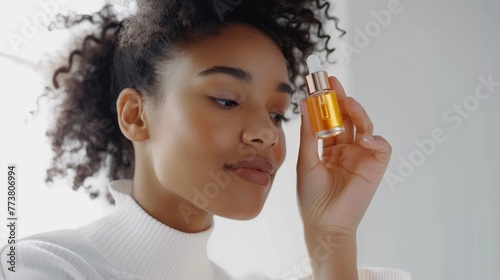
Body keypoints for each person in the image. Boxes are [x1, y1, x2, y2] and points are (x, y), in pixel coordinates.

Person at [1, 0, 411, 279]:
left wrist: (332, 239)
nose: (267, 133)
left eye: (277, 113)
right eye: (226, 99)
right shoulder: (39, 268)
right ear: (135, 115)